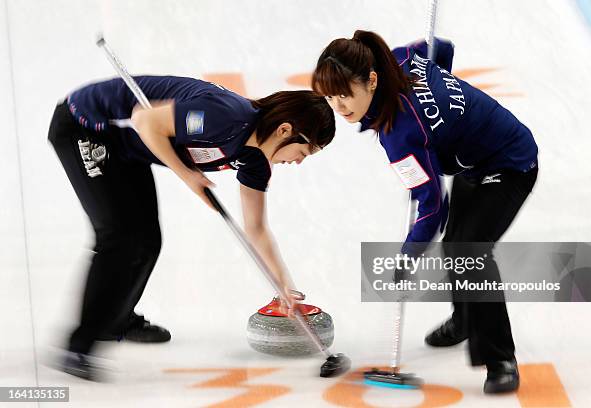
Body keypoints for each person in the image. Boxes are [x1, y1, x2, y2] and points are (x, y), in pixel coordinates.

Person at [48, 75, 335, 380]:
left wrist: (283, 285)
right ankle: (77, 346)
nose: (300, 161)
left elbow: (257, 228)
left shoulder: (256, 162)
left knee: (145, 241)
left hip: (129, 150)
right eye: (304, 152)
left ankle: (115, 321)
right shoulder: (224, 116)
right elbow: (145, 120)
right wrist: (187, 175)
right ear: (285, 130)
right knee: (120, 237)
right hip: (87, 126)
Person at [311, 31, 538, 394]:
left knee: (471, 250)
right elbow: (441, 48)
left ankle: (501, 359)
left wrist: (407, 256)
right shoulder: (399, 59)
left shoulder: (400, 135)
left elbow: (433, 207)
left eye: (345, 93)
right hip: (474, 161)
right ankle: (465, 320)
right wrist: (443, 120)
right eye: (330, 96)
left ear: (371, 80)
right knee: (457, 246)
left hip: (510, 163)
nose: (339, 106)